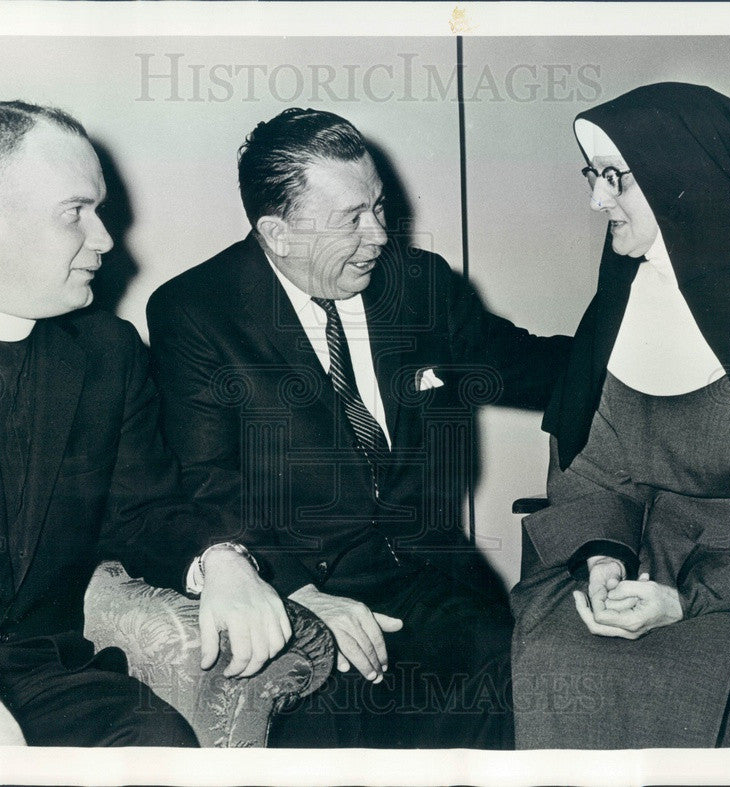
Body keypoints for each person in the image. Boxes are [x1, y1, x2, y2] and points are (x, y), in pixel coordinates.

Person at [147, 108, 572, 748]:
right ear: (277, 232)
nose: (379, 234)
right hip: (304, 587)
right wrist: (298, 596)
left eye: (379, 206)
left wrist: (646, 346)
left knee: (518, 687)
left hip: (434, 576)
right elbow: (205, 484)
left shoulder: (419, 285)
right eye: (353, 218)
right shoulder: (197, 312)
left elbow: (522, 364)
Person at [0, 101, 293, 747]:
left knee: (161, 746)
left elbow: (146, 509)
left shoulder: (107, 350)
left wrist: (222, 559)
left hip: (43, 679)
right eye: (76, 211)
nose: (104, 238)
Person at [511, 82, 730, 748]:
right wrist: (602, 558)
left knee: (708, 674)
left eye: (615, 178)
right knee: (555, 645)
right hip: (642, 546)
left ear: (685, 181)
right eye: (593, 176)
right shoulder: (622, 300)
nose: (596, 200)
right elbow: (593, 470)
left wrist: (686, 601)